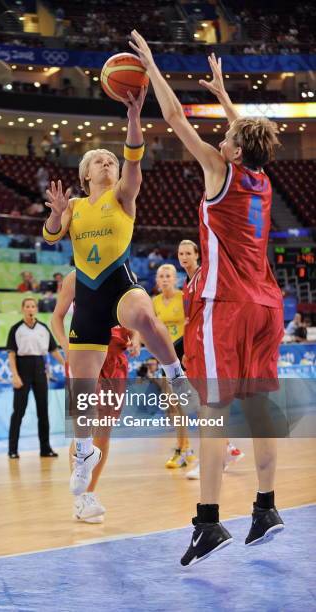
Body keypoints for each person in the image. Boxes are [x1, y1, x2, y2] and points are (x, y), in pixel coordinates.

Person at [130, 32, 284, 566]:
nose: (221, 138)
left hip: (228, 306)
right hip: (269, 306)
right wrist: (224, 98)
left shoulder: (220, 171)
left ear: (234, 151)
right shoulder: (262, 179)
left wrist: (151, 66)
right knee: (259, 407)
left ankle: (209, 521)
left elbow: (175, 120)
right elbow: (253, 137)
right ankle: (265, 508)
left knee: (213, 413)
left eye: (227, 135)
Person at [43, 86, 186, 499]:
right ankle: (84, 452)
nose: (107, 163)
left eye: (111, 160)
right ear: (85, 174)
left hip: (119, 286)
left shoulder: (124, 197)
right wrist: (55, 216)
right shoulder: (75, 209)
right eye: (99, 161)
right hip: (87, 299)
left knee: (143, 312)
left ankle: (175, 373)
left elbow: (134, 161)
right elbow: (51, 236)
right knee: (81, 390)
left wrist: (134, 117)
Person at [51, 270, 141, 522]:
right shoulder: (75, 277)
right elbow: (56, 317)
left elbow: (136, 318)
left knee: (104, 430)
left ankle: (90, 494)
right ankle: (80, 499)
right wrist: (66, 345)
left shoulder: (127, 274)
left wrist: (136, 337)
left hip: (116, 359)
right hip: (86, 353)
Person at [177, 240, 244, 480]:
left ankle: (210, 460)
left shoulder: (205, 276)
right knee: (203, 406)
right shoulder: (187, 283)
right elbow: (190, 320)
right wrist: (186, 349)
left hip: (209, 347)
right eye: (180, 253)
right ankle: (227, 449)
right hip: (194, 349)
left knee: (207, 407)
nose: (184, 257)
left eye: (188, 253)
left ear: (198, 255)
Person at [6, 297, 64, 458]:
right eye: (27, 306)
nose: (30, 309)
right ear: (23, 309)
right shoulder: (16, 329)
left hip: (40, 368)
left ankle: (45, 448)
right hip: (22, 368)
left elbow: (53, 351)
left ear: (36, 309)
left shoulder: (43, 328)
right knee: (18, 411)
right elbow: (11, 354)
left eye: (33, 306)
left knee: (43, 411)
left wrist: (66, 364)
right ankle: (12, 449)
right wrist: (15, 375)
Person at [152, 263, 195, 469]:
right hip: (166, 357)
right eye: (161, 276)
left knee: (195, 404)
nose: (165, 279)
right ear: (157, 281)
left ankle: (222, 446)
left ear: (175, 279)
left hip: (186, 354)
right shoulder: (155, 302)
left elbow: (193, 324)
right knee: (174, 405)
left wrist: (189, 351)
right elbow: (150, 330)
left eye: (168, 275)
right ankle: (183, 448)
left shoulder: (183, 297)